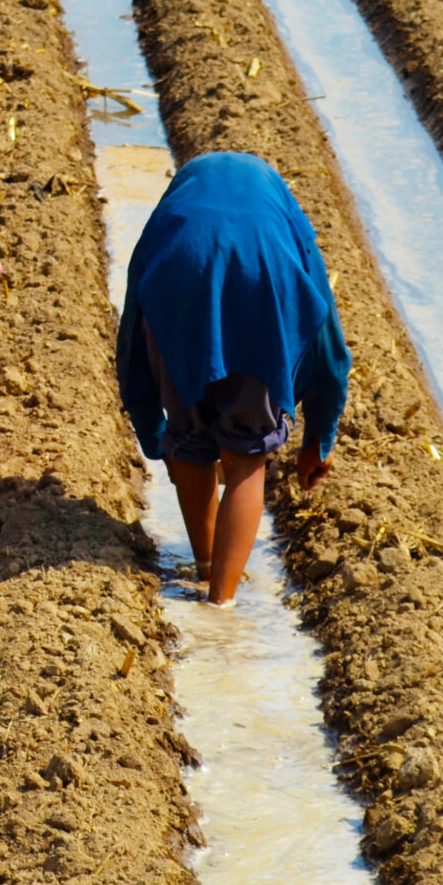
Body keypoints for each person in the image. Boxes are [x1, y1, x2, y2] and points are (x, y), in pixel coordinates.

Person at [116, 151, 349, 607]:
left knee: (189, 441)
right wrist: (318, 441)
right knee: (244, 460)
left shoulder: (170, 214)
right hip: (265, 286)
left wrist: (153, 429)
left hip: (177, 282)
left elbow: (132, 326)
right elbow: (329, 340)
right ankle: (221, 602)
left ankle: (204, 567)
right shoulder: (285, 221)